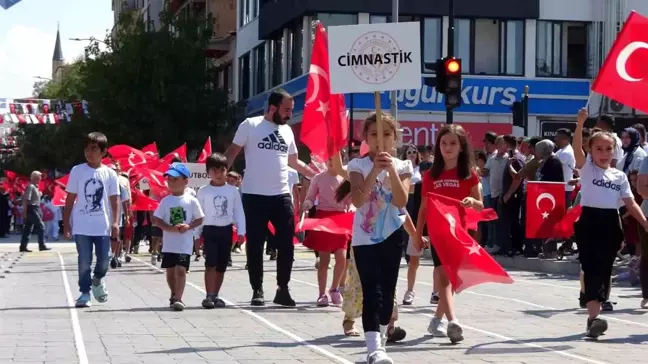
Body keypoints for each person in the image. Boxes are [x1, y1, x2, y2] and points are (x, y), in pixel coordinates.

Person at [224, 89, 315, 307]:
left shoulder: (287, 132)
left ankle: (283, 288)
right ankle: (257, 289)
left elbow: (294, 162)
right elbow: (232, 152)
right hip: (254, 195)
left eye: (291, 111)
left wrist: (316, 174)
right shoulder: (250, 125)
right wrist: (218, 177)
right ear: (272, 108)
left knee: (287, 244)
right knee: (255, 244)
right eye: (286, 110)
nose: (289, 115)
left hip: (281, 195)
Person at [574, 108, 648, 338]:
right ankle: (595, 317)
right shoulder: (586, 169)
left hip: (610, 223)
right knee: (591, 267)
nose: (604, 153)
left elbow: (630, 203)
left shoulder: (619, 176)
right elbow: (577, 149)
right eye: (598, 149)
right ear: (591, 151)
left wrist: (645, 222)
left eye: (608, 149)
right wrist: (580, 123)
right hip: (588, 221)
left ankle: (594, 316)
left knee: (604, 269)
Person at [348, 111, 412, 364]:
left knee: (387, 294)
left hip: (393, 235)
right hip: (365, 238)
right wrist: (375, 170)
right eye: (374, 134)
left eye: (386, 134)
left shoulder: (404, 166)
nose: (380, 140)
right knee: (371, 292)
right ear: (365, 138)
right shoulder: (357, 166)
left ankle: (381, 339)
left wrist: (391, 170)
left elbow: (401, 201)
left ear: (395, 138)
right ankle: (374, 348)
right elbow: (357, 199)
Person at [415, 124, 483, 344]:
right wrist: (418, 234)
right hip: (438, 233)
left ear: (462, 147)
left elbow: (480, 206)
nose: (447, 147)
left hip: (461, 234)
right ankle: (453, 321)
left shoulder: (469, 175)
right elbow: (423, 208)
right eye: (443, 143)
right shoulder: (430, 175)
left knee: (453, 279)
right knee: (443, 277)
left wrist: (473, 202)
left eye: (453, 143)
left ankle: (437, 319)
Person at [63, 132, 120, 308]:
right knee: (84, 261)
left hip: (102, 226)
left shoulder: (110, 174)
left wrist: (116, 222)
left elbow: (114, 200)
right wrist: (66, 224)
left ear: (103, 152)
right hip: (81, 226)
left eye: (94, 149)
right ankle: (84, 293)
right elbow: (70, 199)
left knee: (104, 259)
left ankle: (97, 280)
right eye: (87, 149)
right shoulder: (77, 171)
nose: (89, 152)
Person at [152, 163, 204, 311]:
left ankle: (179, 298)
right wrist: (169, 228)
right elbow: (157, 219)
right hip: (169, 243)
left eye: (175, 179)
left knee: (181, 270)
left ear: (185, 181)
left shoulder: (191, 200)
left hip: (184, 243)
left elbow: (200, 219)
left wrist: (189, 226)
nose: (171, 182)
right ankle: (173, 293)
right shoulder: (166, 201)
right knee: (170, 272)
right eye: (169, 179)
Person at [197, 153, 245, 309]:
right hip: (209, 230)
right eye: (214, 170)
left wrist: (241, 232)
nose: (218, 174)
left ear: (227, 171)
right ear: (208, 172)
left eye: (222, 170)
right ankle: (209, 295)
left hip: (226, 230)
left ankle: (216, 294)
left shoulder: (232, 191)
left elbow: (238, 212)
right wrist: (196, 234)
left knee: (222, 265)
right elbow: (198, 214)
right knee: (210, 263)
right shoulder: (203, 191)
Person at [302, 159, 348, 307]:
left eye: (335, 158)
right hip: (323, 218)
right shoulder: (318, 178)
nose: (332, 162)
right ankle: (322, 294)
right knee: (324, 260)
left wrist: (352, 207)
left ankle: (334, 289)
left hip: (341, 219)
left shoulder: (346, 177)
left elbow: (352, 199)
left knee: (342, 258)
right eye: (329, 159)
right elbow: (310, 197)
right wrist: (307, 203)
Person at [19, 171, 51, 252]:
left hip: (35, 208)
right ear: (34, 178)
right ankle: (42, 245)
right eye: (38, 178)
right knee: (41, 226)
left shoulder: (35, 187)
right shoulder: (31, 187)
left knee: (28, 228)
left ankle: (23, 246)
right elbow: (26, 200)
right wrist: (25, 211)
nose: (40, 180)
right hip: (31, 208)